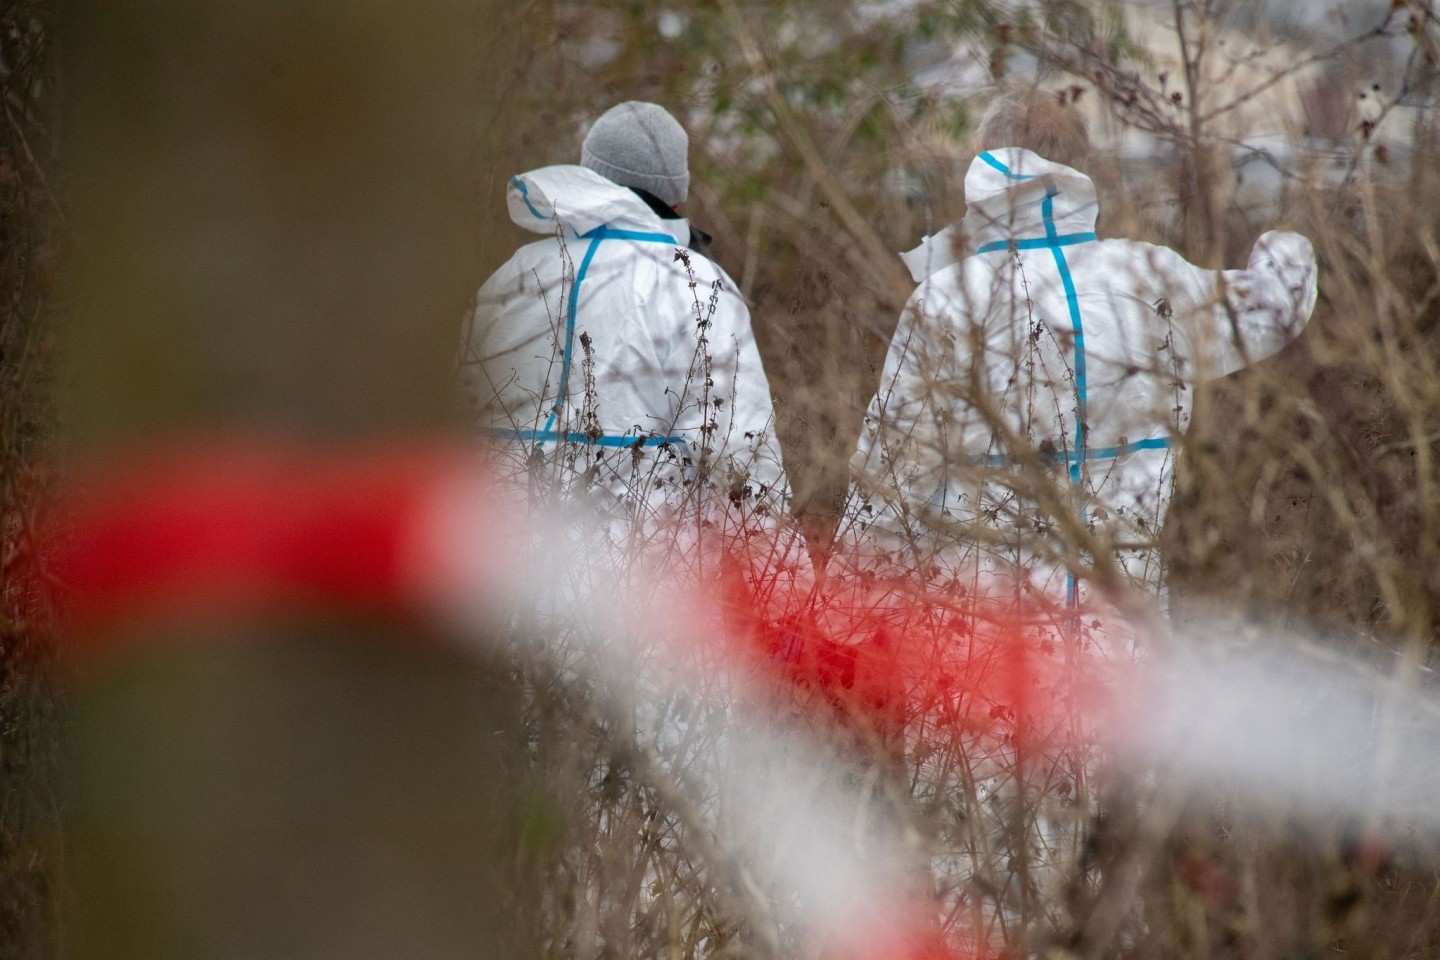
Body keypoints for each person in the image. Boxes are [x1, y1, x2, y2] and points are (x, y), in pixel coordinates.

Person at [838, 88, 1319, 639]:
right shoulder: (1149, 280)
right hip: (1119, 643)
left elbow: (890, 484)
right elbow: (1275, 305)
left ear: (982, 164)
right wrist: (1294, 237)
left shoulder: (947, 299)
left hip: (980, 657)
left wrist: (845, 630)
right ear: (1080, 168)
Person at [458, 102, 787, 561]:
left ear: (589, 173)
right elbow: (742, 459)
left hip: (498, 578)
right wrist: (788, 599)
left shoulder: (510, 278)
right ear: (676, 195)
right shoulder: (693, 284)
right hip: (643, 593)